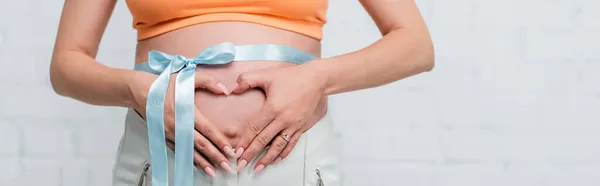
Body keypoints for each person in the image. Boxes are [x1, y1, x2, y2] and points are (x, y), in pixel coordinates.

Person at [49, 0, 434, 185]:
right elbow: (67, 64)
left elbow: (415, 45)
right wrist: (137, 89)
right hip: (162, 159)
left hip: (292, 161)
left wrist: (318, 78)